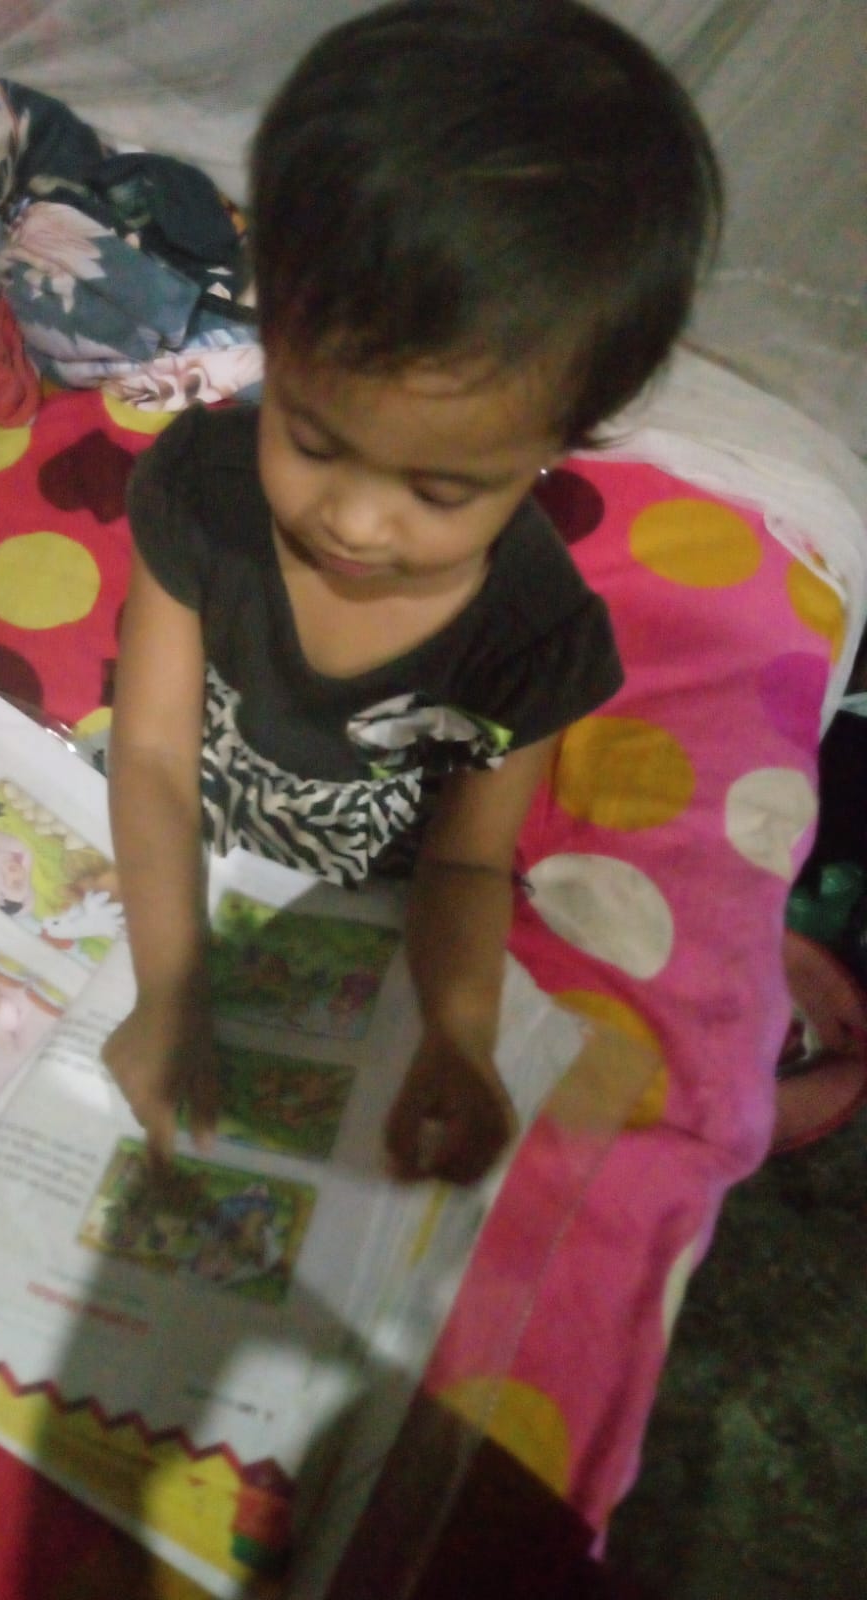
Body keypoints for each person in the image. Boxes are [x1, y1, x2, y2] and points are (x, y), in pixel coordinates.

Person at [101, 0, 722, 1183]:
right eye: (313, 436)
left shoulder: (533, 637)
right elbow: (153, 756)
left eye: (440, 491)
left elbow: (467, 865)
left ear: (560, 443)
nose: (355, 522)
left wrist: (460, 1035)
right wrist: (170, 989)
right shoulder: (202, 493)